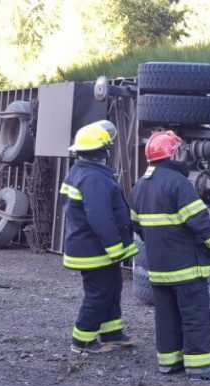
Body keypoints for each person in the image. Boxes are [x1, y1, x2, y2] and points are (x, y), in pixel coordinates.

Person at [131, 130, 210, 381]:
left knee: (166, 315)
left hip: (158, 267)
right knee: (195, 314)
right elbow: (199, 220)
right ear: (173, 154)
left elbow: (136, 225)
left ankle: (169, 363)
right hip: (186, 265)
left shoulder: (140, 185)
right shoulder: (178, 183)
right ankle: (201, 366)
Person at [60, 120, 138, 354]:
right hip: (95, 250)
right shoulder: (94, 178)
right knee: (99, 294)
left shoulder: (82, 172)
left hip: (92, 247)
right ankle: (82, 342)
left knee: (112, 289)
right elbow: (100, 217)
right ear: (103, 150)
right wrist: (116, 248)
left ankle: (112, 333)